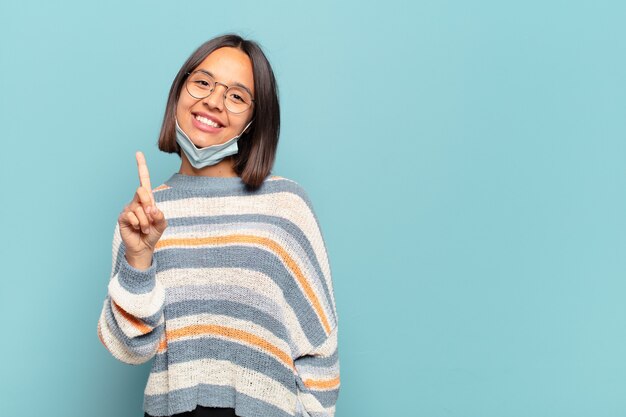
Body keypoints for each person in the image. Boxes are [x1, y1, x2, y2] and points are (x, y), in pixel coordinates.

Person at [96, 34, 340, 417]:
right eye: (203, 83)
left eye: (237, 96)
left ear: (254, 122)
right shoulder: (145, 215)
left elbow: (320, 346)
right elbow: (129, 348)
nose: (213, 100)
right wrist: (138, 257)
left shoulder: (285, 207)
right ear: (181, 90)